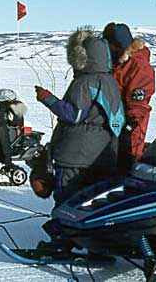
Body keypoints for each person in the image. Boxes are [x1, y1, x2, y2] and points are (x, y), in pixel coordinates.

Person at [35, 28, 125, 206]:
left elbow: (73, 114)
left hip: (76, 155)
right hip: (101, 153)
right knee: (93, 203)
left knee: (68, 200)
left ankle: (63, 232)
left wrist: (48, 99)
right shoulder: (109, 81)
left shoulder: (84, 82)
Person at [103, 23, 156, 175]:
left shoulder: (138, 65)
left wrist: (129, 126)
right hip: (113, 123)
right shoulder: (117, 63)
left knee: (127, 164)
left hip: (129, 126)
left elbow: (138, 103)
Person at [0, 88, 27, 169]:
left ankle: (3, 161)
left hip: (0, 148)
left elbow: (3, 136)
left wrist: (6, 160)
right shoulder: (1, 111)